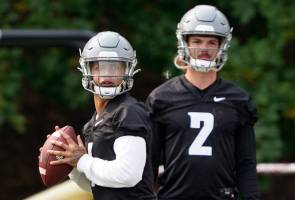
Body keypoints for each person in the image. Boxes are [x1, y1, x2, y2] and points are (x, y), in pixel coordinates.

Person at [146, 5, 259, 200]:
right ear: (184, 44)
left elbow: (246, 163)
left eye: (211, 42)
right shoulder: (161, 98)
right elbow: (150, 162)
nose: (204, 49)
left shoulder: (238, 100)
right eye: (197, 41)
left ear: (221, 46)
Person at [47, 31, 156, 200]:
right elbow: (97, 187)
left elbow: (128, 175)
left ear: (126, 70)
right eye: (99, 67)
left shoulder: (129, 111)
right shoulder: (95, 122)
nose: (107, 75)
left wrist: (82, 160)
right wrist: (72, 165)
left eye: (115, 67)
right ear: (87, 70)